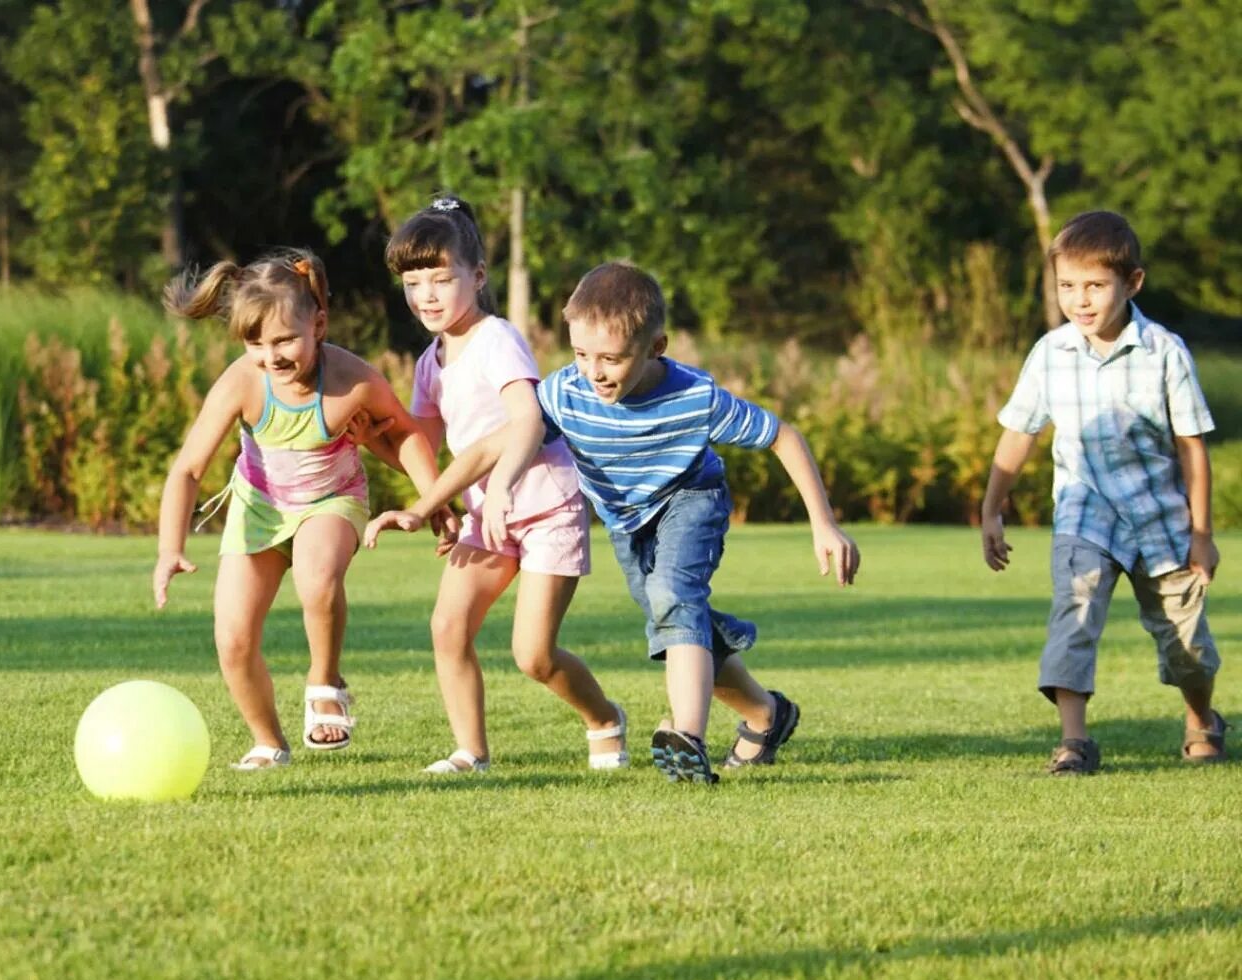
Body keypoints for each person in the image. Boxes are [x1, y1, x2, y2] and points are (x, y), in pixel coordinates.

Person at [368, 261, 859, 784]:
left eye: (612, 359)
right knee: (678, 620)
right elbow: (495, 443)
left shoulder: (696, 398)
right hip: (628, 521)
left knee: (674, 596)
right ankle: (766, 713)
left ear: (656, 347)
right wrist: (425, 506)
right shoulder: (568, 391)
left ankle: (687, 738)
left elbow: (783, 435)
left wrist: (823, 524)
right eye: (581, 354)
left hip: (691, 498)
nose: (595, 372)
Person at [365, 196, 627, 774]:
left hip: (545, 504)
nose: (426, 295)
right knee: (447, 625)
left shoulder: (497, 338)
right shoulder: (431, 360)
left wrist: (502, 483)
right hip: (489, 512)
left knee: (533, 655)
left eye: (441, 278)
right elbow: (421, 447)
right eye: (413, 282)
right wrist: (367, 442)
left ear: (477, 276)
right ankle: (470, 752)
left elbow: (527, 419)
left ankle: (604, 718)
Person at [153, 249, 441, 770]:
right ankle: (268, 741)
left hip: (332, 501)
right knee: (233, 639)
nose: (272, 356)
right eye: (255, 343)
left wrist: (434, 500)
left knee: (316, 576)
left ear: (319, 324)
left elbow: (405, 438)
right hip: (258, 509)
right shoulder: (244, 381)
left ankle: (324, 679)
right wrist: (169, 548)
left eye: (285, 339)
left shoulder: (351, 380)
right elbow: (188, 470)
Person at [981, 210, 1224, 774]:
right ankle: (1075, 742)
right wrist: (992, 509)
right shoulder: (1050, 353)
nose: (1080, 300)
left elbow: (1192, 448)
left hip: (1160, 519)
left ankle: (1201, 719)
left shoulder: (1164, 352)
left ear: (1132, 282)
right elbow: (1019, 433)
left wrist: (1202, 534)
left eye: (1095, 285)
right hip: (1085, 512)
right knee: (1075, 610)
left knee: (1185, 646)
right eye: (1068, 286)